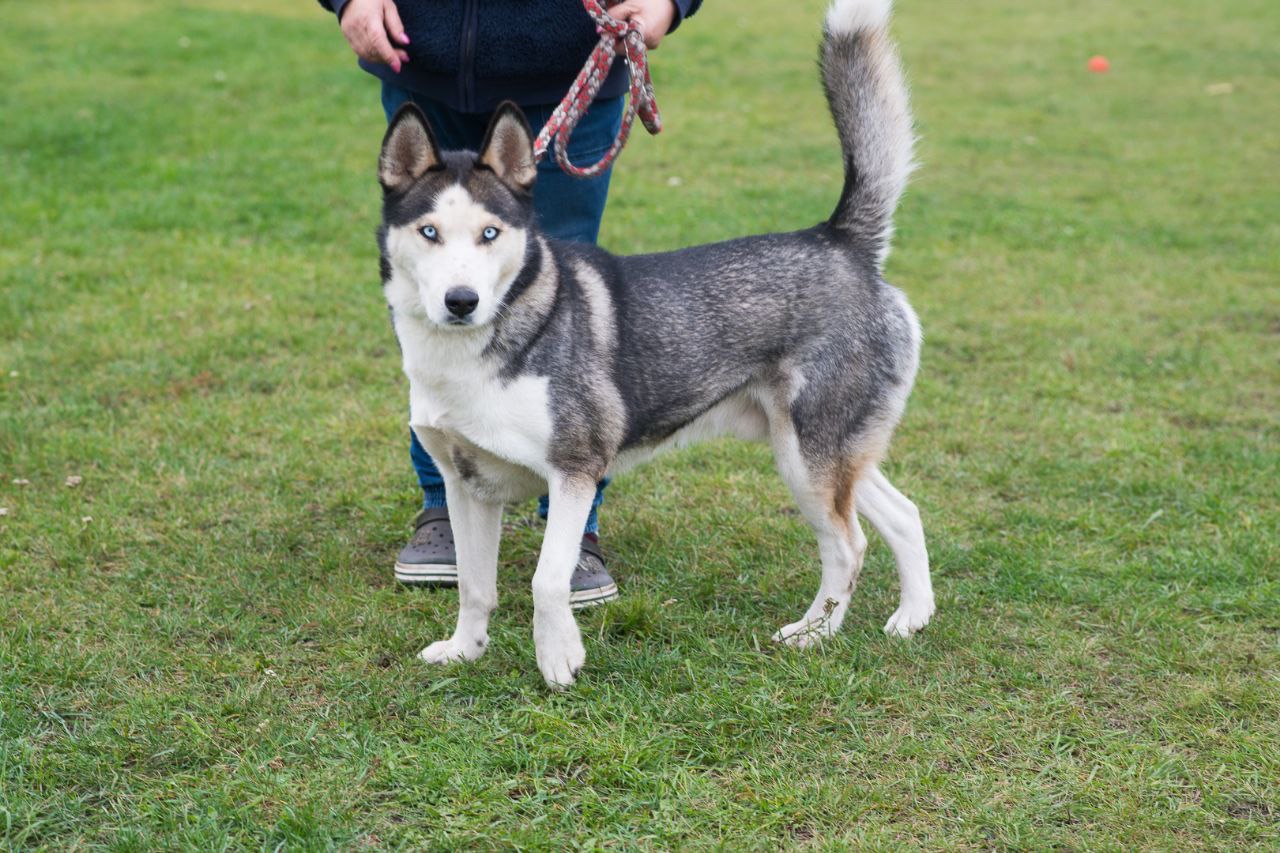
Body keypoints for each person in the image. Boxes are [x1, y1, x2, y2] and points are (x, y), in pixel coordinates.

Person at [318, 0, 701, 606]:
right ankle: (446, 501)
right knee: (435, 289)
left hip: (572, 65)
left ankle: (572, 520)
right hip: (420, 57)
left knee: (572, 310)